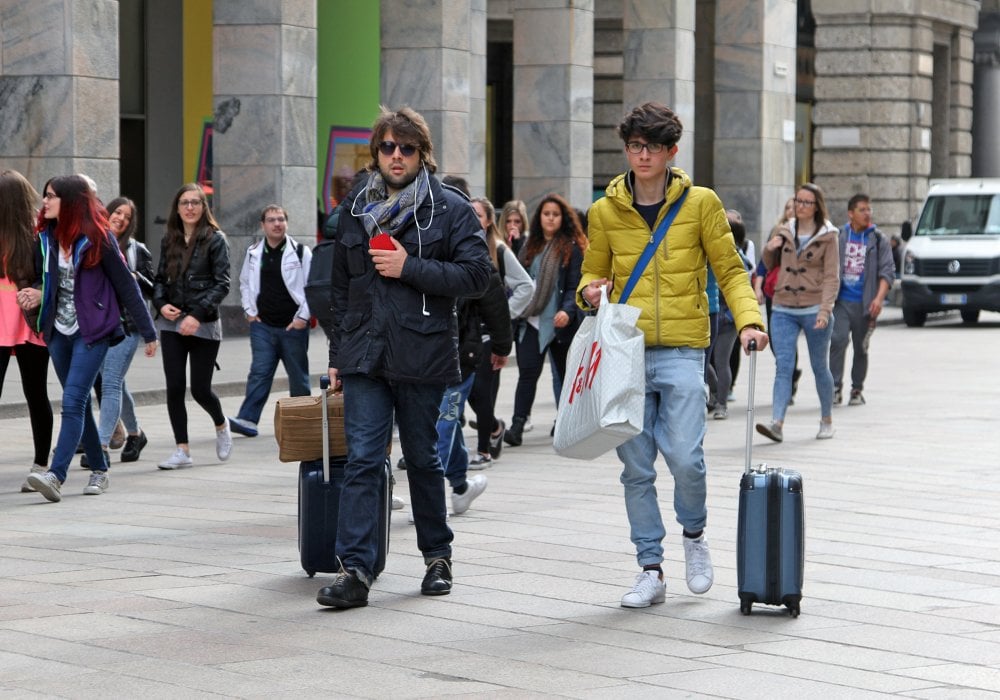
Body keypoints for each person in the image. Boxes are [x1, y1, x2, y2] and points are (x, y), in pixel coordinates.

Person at [578, 102, 768, 609]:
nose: (643, 156)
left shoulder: (701, 204)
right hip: (626, 352)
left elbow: (729, 269)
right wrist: (590, 294)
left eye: (653, 147)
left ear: (671, 152)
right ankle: (650, 568)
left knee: (686, 458)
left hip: (684, 348)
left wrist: (750, 320)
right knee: (636, 468)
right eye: (635, 146)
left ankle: (694, 535)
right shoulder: (604, 210)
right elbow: (589, 276)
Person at [316, 106, 491, 609]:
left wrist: (409, 266)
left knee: (422, 458)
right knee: (365, 460)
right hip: (363, 355)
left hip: (423, 351)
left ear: (423, 154)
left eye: (407, 148)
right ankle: (356, 570)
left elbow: (477, 276)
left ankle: (437, 556)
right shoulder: (354, 209)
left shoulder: (449, 208)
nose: (397, 156)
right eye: (388, 147)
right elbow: (341, 290)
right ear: (376, 153)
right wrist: (336, 355)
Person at [19, 175, 157, 502]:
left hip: (92, 331)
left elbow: (127, 285)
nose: (45, 202)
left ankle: (56, 474)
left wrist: (149, 332)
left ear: (70, 202)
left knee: (72, 400)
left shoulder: (99, 238)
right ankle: (99, 468)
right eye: (45, 196)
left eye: (51, 196)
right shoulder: (46, 238)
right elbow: (45, 280)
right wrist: (38, 295)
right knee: (77, 402)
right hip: (58, 333)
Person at [153, 183, 232, 469]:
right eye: (184, 202)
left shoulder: (215, 239)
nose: (190, 208)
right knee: (174, 386)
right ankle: (182, 450)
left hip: (204, 323)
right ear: (177, 208)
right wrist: (161, 304)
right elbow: (159, 278)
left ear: (203, 207)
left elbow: (222, 284)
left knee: (200, 389)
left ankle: (222, 425)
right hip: (172, 322)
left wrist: (196, 315)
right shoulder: (169, 239)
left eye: (195, 203)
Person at [755, 182, 840, 443]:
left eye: (806, 202)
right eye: (798, 201)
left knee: (819, 366)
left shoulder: (828, 235)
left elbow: (831, 277)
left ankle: (826, 419)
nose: (800, 206)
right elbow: (769, 266)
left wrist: (825, 310)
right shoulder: (784, 230)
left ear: (816, 207)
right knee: (784, 366)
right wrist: (769, 249)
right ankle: (777, 423)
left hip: (815, 307)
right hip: (782, 306)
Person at [503, 193, 586, 447]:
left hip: (560, 323)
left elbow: (574, 286)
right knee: (527, 373)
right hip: (530, 320)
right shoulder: (529, 246)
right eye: (546, 214)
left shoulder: (570, 248)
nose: (550, 218)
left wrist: (567, 311)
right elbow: (516, 281)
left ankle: (566, 422)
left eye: (555, 214)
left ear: (563, 218)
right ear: (539, 217)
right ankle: (517, 425)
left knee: (564, 375)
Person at [433, 251, 511, 517]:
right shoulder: (467, 245)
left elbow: (493, 299)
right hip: (447, 354)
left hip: (455, 357)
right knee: (445, 422)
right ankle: (450, 490)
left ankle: (446, 492)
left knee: (445, 421)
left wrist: (501, 345)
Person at [228, 204, 312, 438]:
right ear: (262, 225)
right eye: (272, 220)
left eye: (281, 219)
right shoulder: (254, 252)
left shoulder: (301, 252)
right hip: (262, 325)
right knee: (259, 372)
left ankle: (302, 422)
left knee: (298, 376)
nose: (277, 224)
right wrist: (249, 311)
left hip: (292, 326)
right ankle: (247, 420)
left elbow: (311, 288)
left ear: (286, 222)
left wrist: (302, 318)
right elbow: (244, 282)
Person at [466, 196, 534, 468]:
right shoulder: (458, 247)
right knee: (469, 391)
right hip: (464, 332)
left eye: (477, 216)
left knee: (482, 391)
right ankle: (494, 427)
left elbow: (526, 286)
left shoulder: (499, 250)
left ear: (488, 221)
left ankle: (483, 450)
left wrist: (503, 312)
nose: (472, 221)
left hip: (489, 333)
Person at [89, 197, 154, 466]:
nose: (121, 219)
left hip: (128, 326)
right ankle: (136, 433)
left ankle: (102, 444)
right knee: (118, 382)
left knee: (111, 382)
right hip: (101, 325)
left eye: (127, 217)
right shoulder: (95, 243)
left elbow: (153, 289)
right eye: (118, 212)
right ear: (108, 212)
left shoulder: (137, 250)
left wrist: (134, 276)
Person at [0, 170, 53, 492]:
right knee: (36, 394)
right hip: (18, 322)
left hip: (28, 322)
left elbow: (48, 276)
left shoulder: (37, 234)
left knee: (35, 393)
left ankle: (41, 465)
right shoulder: (35, 232)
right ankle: (41, 463)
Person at [829, 193, 895, 406]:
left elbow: (887, 272)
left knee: (861, 347)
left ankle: (856, 389)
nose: (868, 214)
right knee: (838, 340)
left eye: (869, 209)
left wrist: (878, 299)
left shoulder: (878, 239)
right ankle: (835, 387)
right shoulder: (838, 236)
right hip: (840, 301)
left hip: (865, 304)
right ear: (851, 214)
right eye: (862, 210)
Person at [709, 212, 754, 419]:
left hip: (727, 318)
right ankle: (716, 393)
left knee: (721, 361)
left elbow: (741, 287)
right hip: (708, 314)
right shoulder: (709, 251)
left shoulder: (737, 257)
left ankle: (721, 403)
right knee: (702, 362)